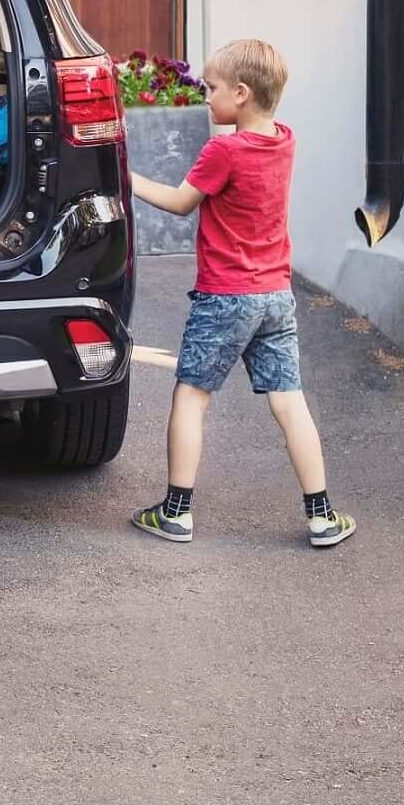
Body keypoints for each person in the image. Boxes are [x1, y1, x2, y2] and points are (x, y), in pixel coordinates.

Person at [125, 38, 357, 550]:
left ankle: (176, 512)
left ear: (242, 93)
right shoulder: (285, 140)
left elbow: (182, 203)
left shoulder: (224, 150)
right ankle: (321, 516)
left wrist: (125, 177)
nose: (206, 98)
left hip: (225, 297)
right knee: (289, 402)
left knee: (191, 395)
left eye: (211, 89)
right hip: (275, 294)